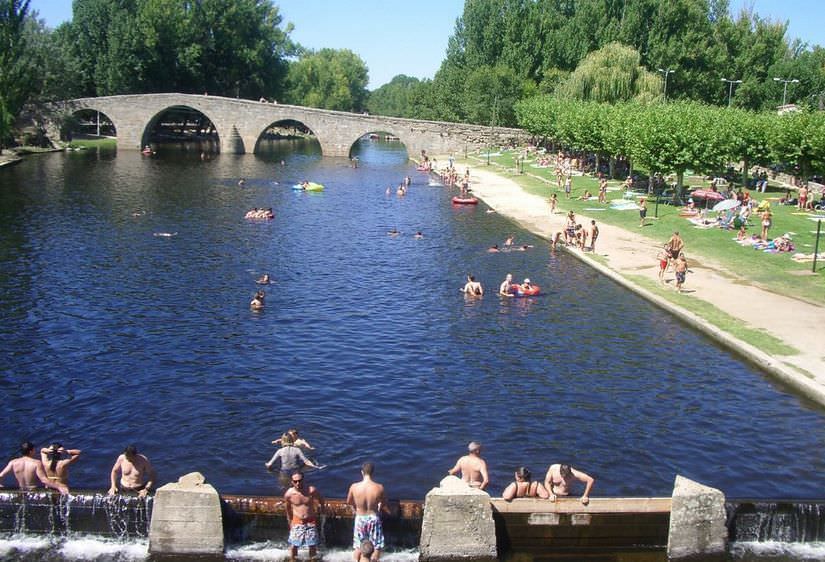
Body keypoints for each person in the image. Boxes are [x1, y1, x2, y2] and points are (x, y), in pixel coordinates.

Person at [347, 462, 388, 562]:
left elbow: (349, 502)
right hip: (373, 518)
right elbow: (384, 503)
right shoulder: (379, 487)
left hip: (360, 518)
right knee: (376, 546)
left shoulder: (354, 487)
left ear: (362, 472)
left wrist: (354, 510)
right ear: (372, 473)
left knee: (358, 546)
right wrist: (378, 508)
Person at [0, 441, 69, 494]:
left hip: (21, 491)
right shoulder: (36, 463)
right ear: (30, 451)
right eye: (34, 450)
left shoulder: (13, 462)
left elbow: (1, 475)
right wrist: (59, 486)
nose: (35, 451)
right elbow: (44, 480)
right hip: (33, 492)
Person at [285, 471, 324, 562]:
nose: (298, 483)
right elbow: (288, 510)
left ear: (303, 480)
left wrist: (322, 511)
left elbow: (321, 500)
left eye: (300, 480)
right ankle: (292, 560)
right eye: (295, 481)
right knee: (294, 546)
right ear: (292, 482)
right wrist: (290, 522)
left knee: (312, 546)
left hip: (310, 522)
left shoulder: (311, 490)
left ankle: (312, 560)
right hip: (297, 522)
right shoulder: (289, 494)